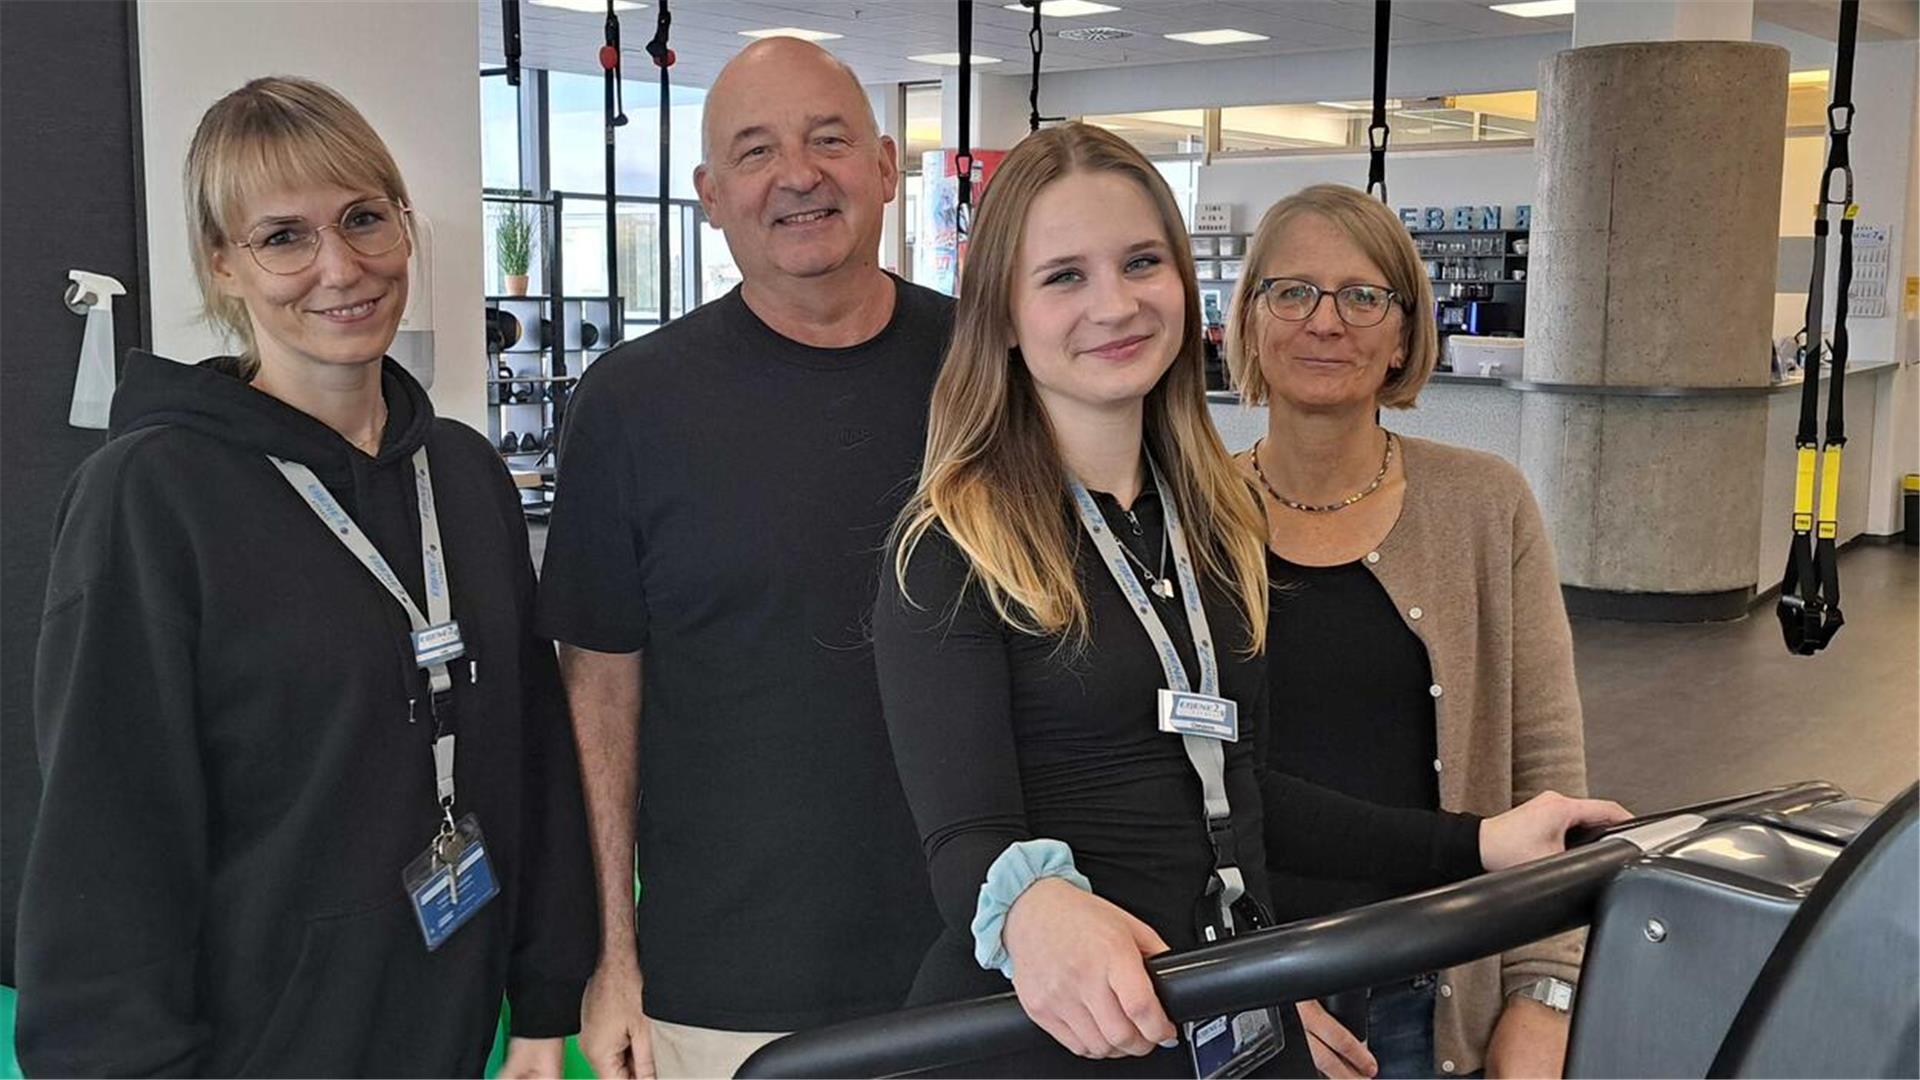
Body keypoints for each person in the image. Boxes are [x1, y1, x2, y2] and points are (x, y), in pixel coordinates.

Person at [14, 76, 594, 1077]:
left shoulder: (460, 474)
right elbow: (104, 844)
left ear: (406, 226)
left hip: (454, 1032)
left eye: (365, 218)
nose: (341, 266)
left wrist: (544, 1005)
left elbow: (530, 753)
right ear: (222, 264)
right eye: (284, 237)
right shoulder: (150, 498)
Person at [536, 38, 947, 1080]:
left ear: (889, 167)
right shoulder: (632, 404)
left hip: (986, 969)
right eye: (757, 152)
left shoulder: (991, 370)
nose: (799, 176)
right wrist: (613, 957)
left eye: (829, 141)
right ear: (709, 196)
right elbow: (599, 696)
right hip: (723, 992)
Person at [874, 120, 1315, 1077]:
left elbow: (1246, 791)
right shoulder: (953, 546)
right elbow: (965, 841)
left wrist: (1479, 842)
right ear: (1001, 314)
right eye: (1064, 276)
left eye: (1142, 262)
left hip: (1214, 1002)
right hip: (1045, 1036)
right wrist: (1035, 907)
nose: (1114, 304)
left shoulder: (1218, 518)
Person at [1225, 183, 1619, 1079]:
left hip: (1433, 989)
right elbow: (1165, 789)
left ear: (1405, 334)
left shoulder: (1485, 505)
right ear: (1249, 321)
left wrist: (1543, 993)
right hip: (1249, 986)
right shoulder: (1189, 514)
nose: (1327, 322)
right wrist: (1251, 993)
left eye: (1365, 297)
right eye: (1292, 292)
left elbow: (1546, 764)